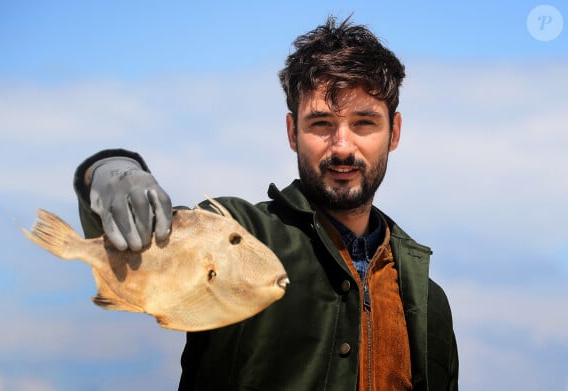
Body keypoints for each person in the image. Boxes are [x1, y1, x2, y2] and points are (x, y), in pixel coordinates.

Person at [73, 16, 458, 391]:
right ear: (293, 132)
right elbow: (131, 245)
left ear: (394, 133)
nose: (342, 145)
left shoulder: (429, 303)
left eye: (364, 123)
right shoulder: (234, 234)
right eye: (321, 124)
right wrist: (110, 170)